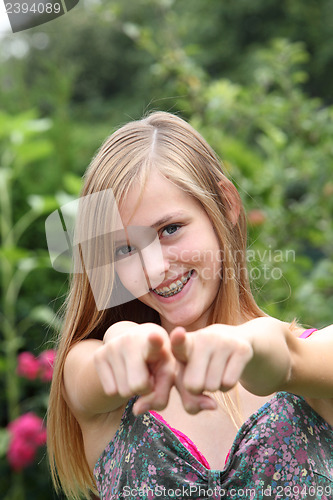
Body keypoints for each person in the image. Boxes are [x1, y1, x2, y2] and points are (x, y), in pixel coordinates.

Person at [47, 112, 333, 500]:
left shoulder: (321, 358)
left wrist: (252, 348)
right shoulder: (95, 372)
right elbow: (93, 377)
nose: (154, 268)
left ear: (228, 206)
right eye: (126, 248)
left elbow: (287, 356)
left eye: (170, 230)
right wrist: (126, 339)